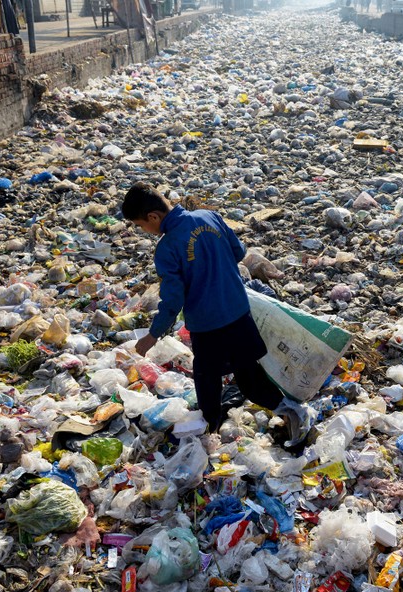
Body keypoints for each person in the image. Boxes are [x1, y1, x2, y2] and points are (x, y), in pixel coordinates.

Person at [121, 183, 284, 433]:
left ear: (153, 216)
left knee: (207, 381)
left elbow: (173, 300)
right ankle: (289, 410)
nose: (145, 231)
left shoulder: (167, 248)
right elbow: (238, 252)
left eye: (142, 226)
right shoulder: (209, 216)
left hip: (208, 325)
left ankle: (210, 429)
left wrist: (152, 336)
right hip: (239, 312)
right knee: (248, 374)